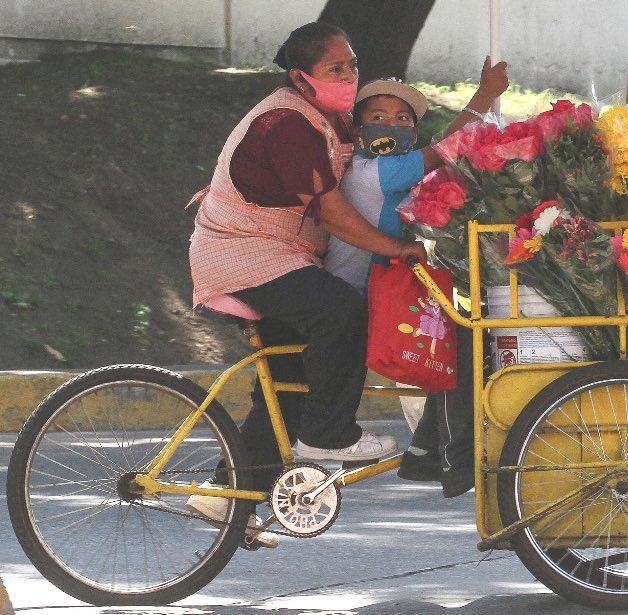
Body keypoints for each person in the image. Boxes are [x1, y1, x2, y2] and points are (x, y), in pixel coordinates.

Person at [184, 22, 426, 548]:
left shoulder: (327, 118)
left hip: (278, 256)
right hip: (246, 256)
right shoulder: (285, 121)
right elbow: (332, 211)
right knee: (340, 312)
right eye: (335, 69)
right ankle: (330, 435)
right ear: (302, 76)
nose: (349, 76)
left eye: (352, 65)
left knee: (288, 379)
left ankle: (225, 495)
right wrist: (396, 249)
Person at [323, 61, 508, 498]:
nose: (392, 124)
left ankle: (427, 450)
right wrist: (484, 96)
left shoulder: (393, 173)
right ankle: (451, 456)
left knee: (460, 335)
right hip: (362, 299)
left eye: (403, 118)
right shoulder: (370, 174)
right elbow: (445, 148)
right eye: (378, 118)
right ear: (357, 129)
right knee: (462, 339)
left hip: (389, 291)